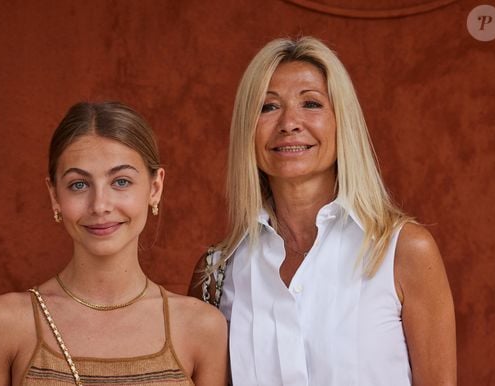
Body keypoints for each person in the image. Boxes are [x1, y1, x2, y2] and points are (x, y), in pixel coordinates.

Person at [189, 37, 456, 386]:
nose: (289, 123)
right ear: (246, 128)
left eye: (311, 104)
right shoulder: (217, 272)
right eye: (268, 107)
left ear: (341, 121)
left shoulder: (404, 251)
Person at [0, 102, 228, 386]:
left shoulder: (201, 327)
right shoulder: (3, 324)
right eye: (79, 184)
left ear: (155, 188)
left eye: (121, 181)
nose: (100, 205)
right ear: (54, 195)